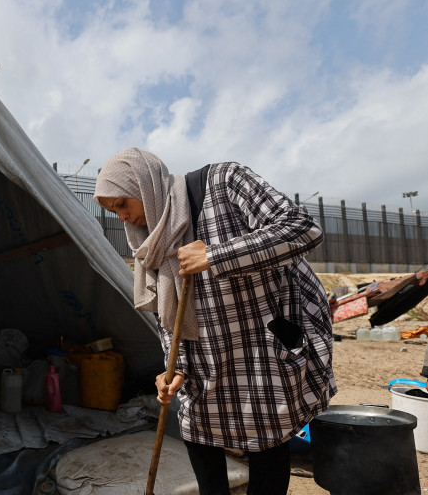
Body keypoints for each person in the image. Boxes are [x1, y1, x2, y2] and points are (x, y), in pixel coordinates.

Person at [93, 148, 336, 495]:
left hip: (260, 353)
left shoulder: (224, 182)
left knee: (266, 444)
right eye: (113, 212)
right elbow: (169, 317)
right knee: (200, 440)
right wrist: (172, 369)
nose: (122, 218)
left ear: (144, 185)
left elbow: (302, 229)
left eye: (121, 204)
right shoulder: (153, 242)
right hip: (204, 361)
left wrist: (215, 254)